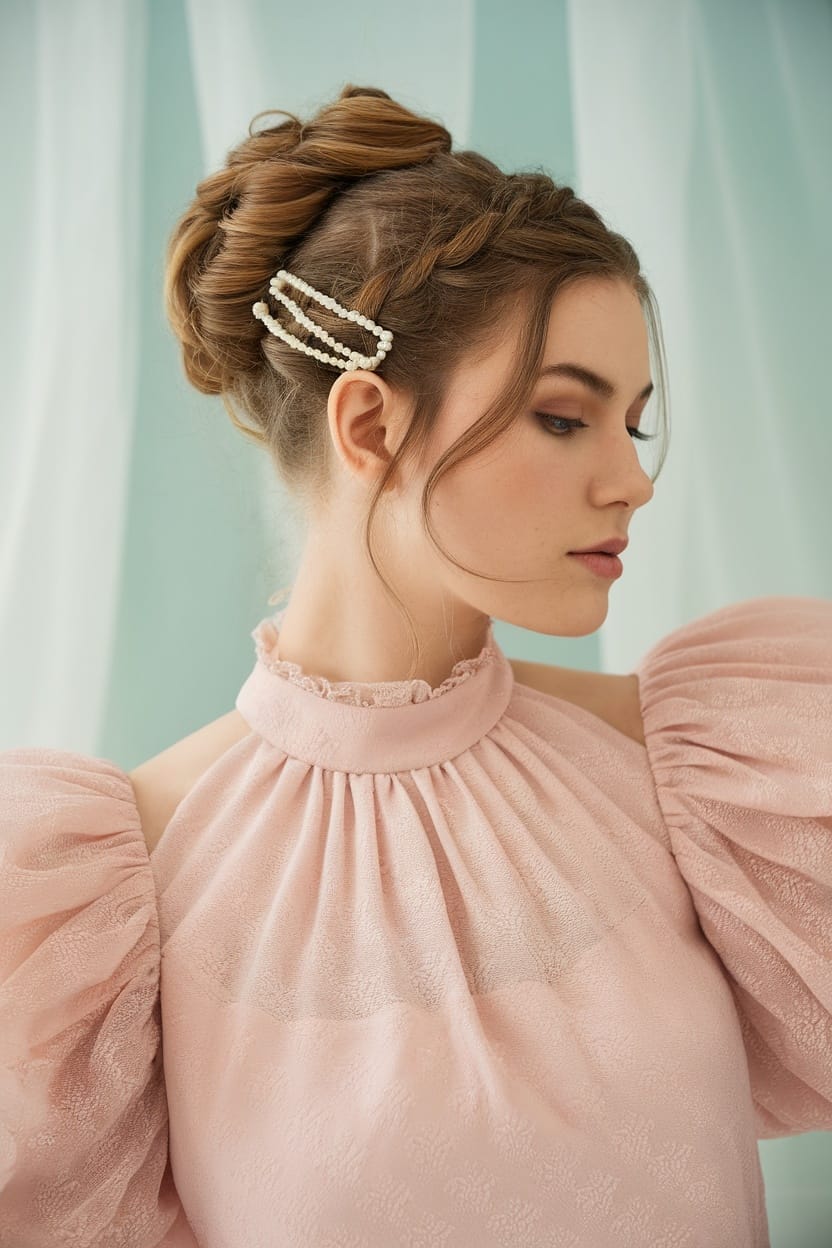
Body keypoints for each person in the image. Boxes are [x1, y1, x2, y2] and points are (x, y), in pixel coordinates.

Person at [1, 83, 830, 1248]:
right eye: (561, 417)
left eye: (633, 422)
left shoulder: (708, 771)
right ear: (370, 426)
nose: (632, 480)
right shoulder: (100, 894)